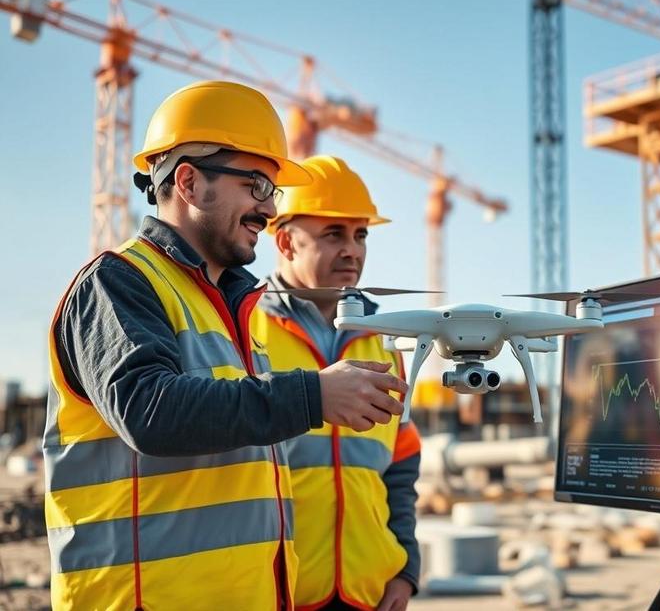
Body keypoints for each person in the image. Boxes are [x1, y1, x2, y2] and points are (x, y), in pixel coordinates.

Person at [43, 82, 407, 610]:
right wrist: (314, 396)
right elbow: (150, 412)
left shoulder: (229, 307)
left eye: (273, 192)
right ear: (188, 182)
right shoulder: (116, 284)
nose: (267, 209)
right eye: (257, 185)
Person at [251, 155, 421, 611]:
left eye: (360, 234)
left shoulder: (385, 340)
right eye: (334, 234)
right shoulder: (240, 329)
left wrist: (405, 569)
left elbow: (400, 468)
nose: (353, 250)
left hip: (369, 593)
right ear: (285, 242)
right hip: (274, 592)